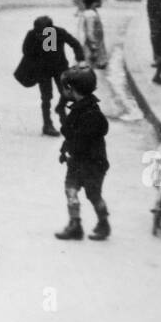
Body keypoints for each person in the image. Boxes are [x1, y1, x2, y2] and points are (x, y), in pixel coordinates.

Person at [54, 65, 111, 241]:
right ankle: (75, 224)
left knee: (93, 194)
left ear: (71, 89)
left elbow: (78, 138)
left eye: (64, 87)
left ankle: (103, 223)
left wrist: (70, 145)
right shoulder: (79, 108)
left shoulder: (91, 113)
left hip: (93, 164)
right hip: (78, 162)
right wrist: (65, 150)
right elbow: (71, 137)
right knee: (70, 190)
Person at [13, 15, 85, 136]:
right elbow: (26, 51)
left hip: (60, 68)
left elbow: (75, 43)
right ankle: (47, 124)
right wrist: (38, 44)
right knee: (46, 97)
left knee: (67, 92)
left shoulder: (59, 32)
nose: (42, 34)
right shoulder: (32, 34)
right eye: (38, 31)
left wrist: (80, 58)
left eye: (44, 32)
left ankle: (61, 108)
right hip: (43, 71)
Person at [78, 0, 109, 70]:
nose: (102, 1)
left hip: (94, 48)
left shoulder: (91, 12)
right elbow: (89, 33)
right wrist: (94, 48)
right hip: (91, 49)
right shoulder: (90, 14)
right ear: (95, 2)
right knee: (89, 71)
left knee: (91, 70)